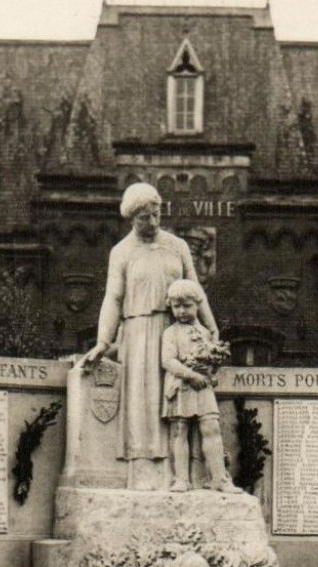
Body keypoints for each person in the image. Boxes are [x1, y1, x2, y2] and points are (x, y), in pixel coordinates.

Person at [82, 182, 217, 487]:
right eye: (145, 218)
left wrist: (211, 328)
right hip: (139, 333)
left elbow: (196, 291)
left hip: (177, 331)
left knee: (180, 400)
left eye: (156, 214)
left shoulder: (178, 246)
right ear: (132, 219)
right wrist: (104, 341)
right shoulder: (122, 252)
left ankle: (182, 474)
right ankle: (144, 472)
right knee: (144, 403)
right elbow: (113, 298)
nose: (153, 222)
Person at [160, 279, 241, 493]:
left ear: (197, 304)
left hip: (203, 386)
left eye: (186, 305)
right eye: (176, 306)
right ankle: (181, 479)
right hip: (181, 385)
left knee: (211, 428)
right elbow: (168, 361)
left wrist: (210, 370)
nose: (181, 311)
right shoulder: (171, 333)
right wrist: (190, 374)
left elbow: (212, 359)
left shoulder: (206, 333)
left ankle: (219, 479)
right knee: (179, 430)